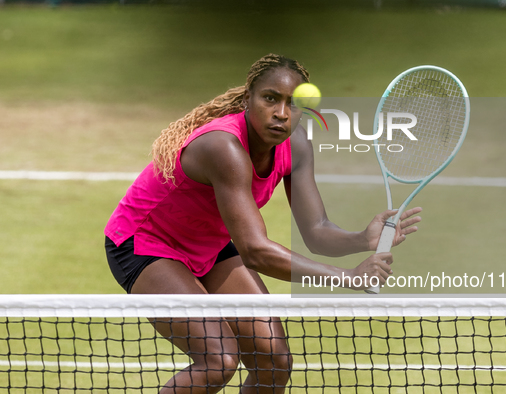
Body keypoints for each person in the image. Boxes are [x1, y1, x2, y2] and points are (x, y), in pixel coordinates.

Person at [104, 53, 422, 394]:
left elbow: (316, 232)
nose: (282, 113)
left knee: (274, 361)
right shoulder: (223, 146)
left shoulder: (296, 146)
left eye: (293, 104)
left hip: (211, 243)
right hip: (147, 243)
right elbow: (255, 251)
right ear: (248, 99)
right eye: (270, 99)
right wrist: (348, 278)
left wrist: (361, 238)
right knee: (219, 360)